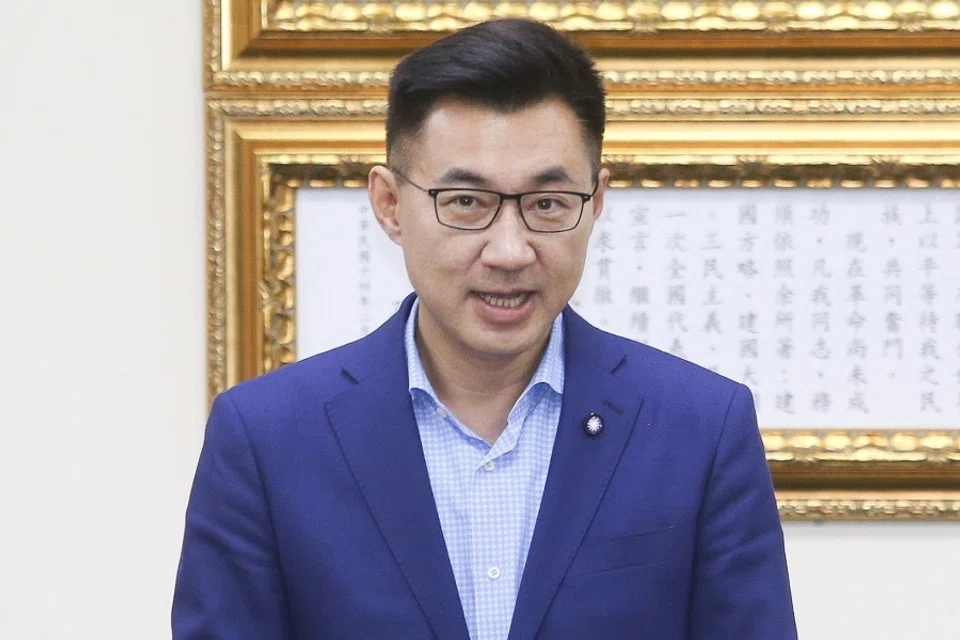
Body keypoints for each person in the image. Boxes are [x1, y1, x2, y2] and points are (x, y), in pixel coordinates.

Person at [173, 18, 797, 639]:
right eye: (466, 203)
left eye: (546, 204)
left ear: (595, 202)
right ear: (390, 205)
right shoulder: (265, 438)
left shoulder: (701, 427)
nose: (509, 251)